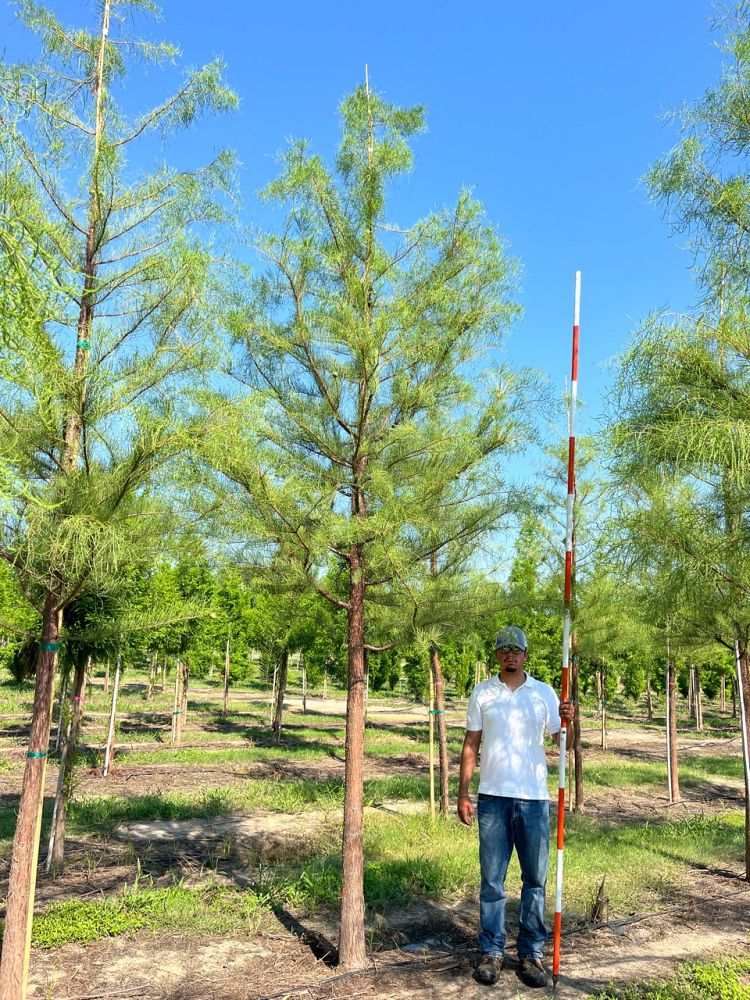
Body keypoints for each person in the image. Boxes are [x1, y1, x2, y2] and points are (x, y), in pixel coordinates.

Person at [457, 625, 575, 989]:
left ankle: (531, 954)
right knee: (492, 881)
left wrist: (571, 718)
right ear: (497, 656)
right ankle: (491, 952)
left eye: (517, 649)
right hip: (493, 798)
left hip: (535, 800)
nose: (510, 654)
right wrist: (463, 792)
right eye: (503, 648)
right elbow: (471, 745)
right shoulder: (483, 692)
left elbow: (564, 741)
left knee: (535, 880)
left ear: (525, 655)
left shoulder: (543, 693)